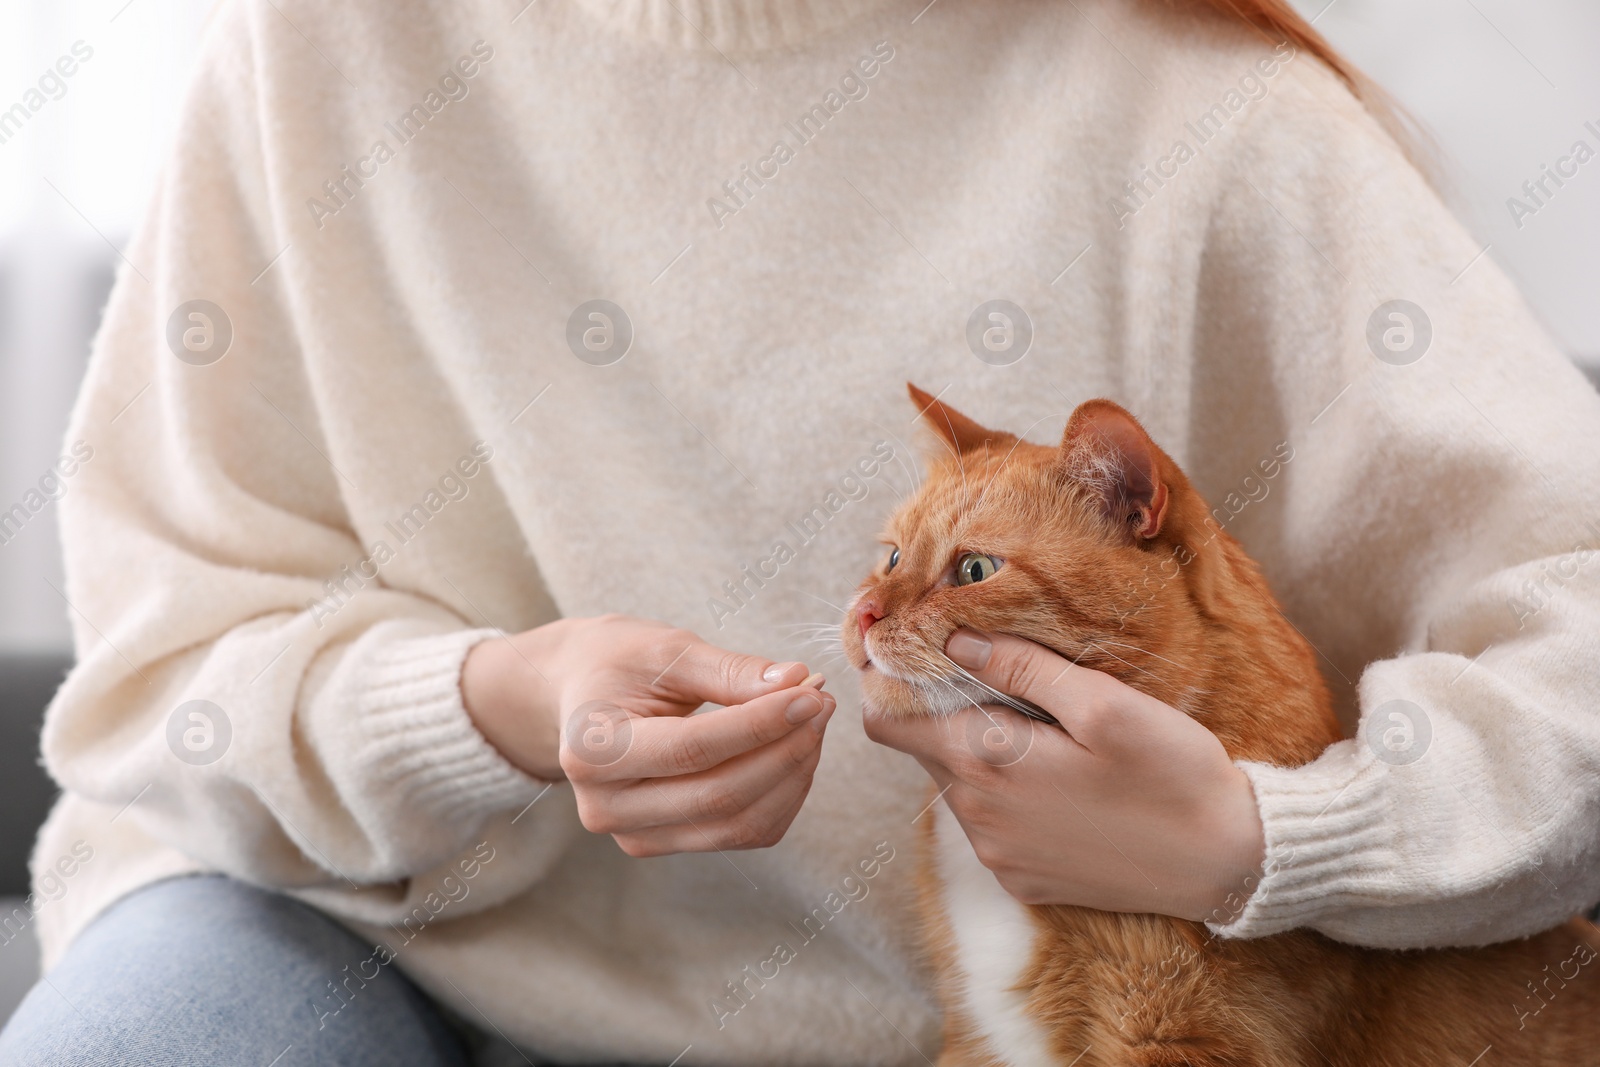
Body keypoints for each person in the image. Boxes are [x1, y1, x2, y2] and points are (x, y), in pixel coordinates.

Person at [4, 0, 1599, 1063]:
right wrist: (493, 705)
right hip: (356, 937)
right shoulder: (317, 55)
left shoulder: (1211, 112)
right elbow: (159, 702)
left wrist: (1271, 840)